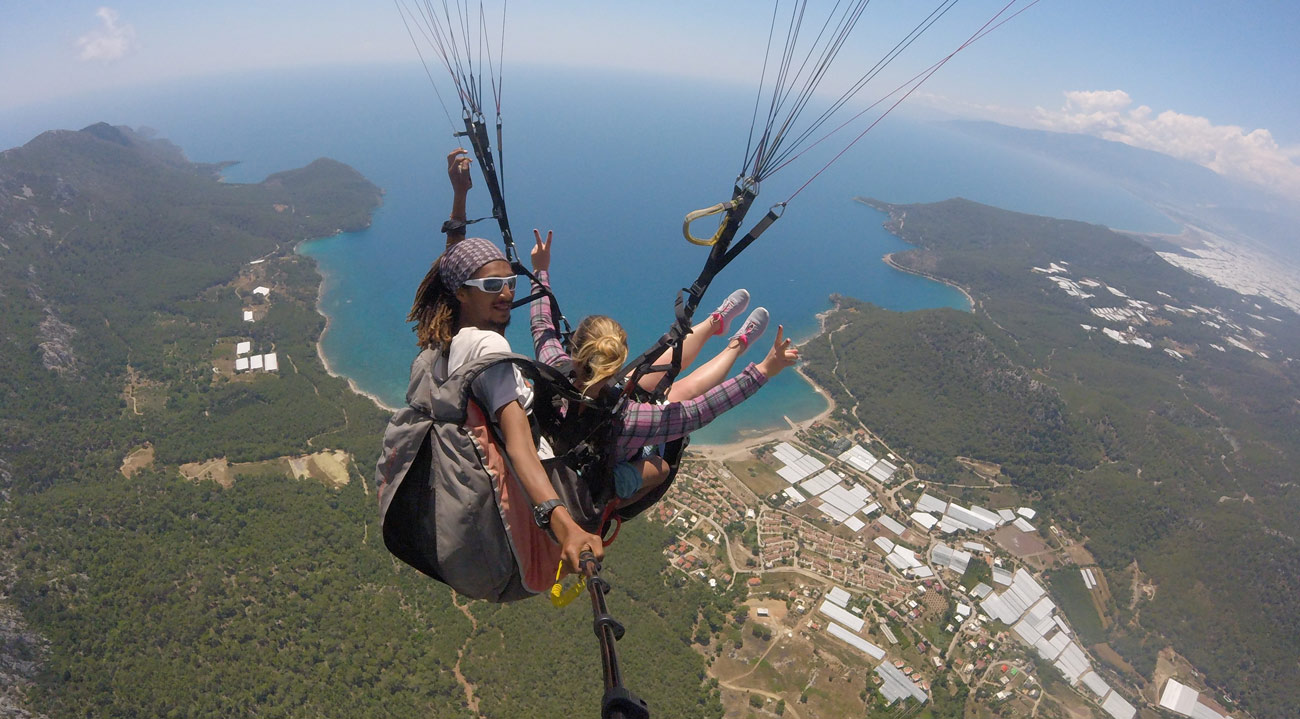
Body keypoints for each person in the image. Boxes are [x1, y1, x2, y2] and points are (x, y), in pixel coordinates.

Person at [405, 150, 605, 573]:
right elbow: (519, 445)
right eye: (493, 285)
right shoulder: (490, 352)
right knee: (639, 464)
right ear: (464, 292)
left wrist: (459, 196)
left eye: (510, 283)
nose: (507, 293)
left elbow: (453, 267)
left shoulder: (447, 337)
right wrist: (564, 525)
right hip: (548, 465)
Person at [528, 230, 799, 503]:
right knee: (678, 395)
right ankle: (736, 345)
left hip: (574, 445)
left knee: (651, 378)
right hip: (605, 465)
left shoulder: (555, 370)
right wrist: (764, 370)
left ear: (575, 350)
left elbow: (542, 328)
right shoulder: (629, 422)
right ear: (617, 360)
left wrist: (540, 270)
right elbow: (701, 409)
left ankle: (716, 323)